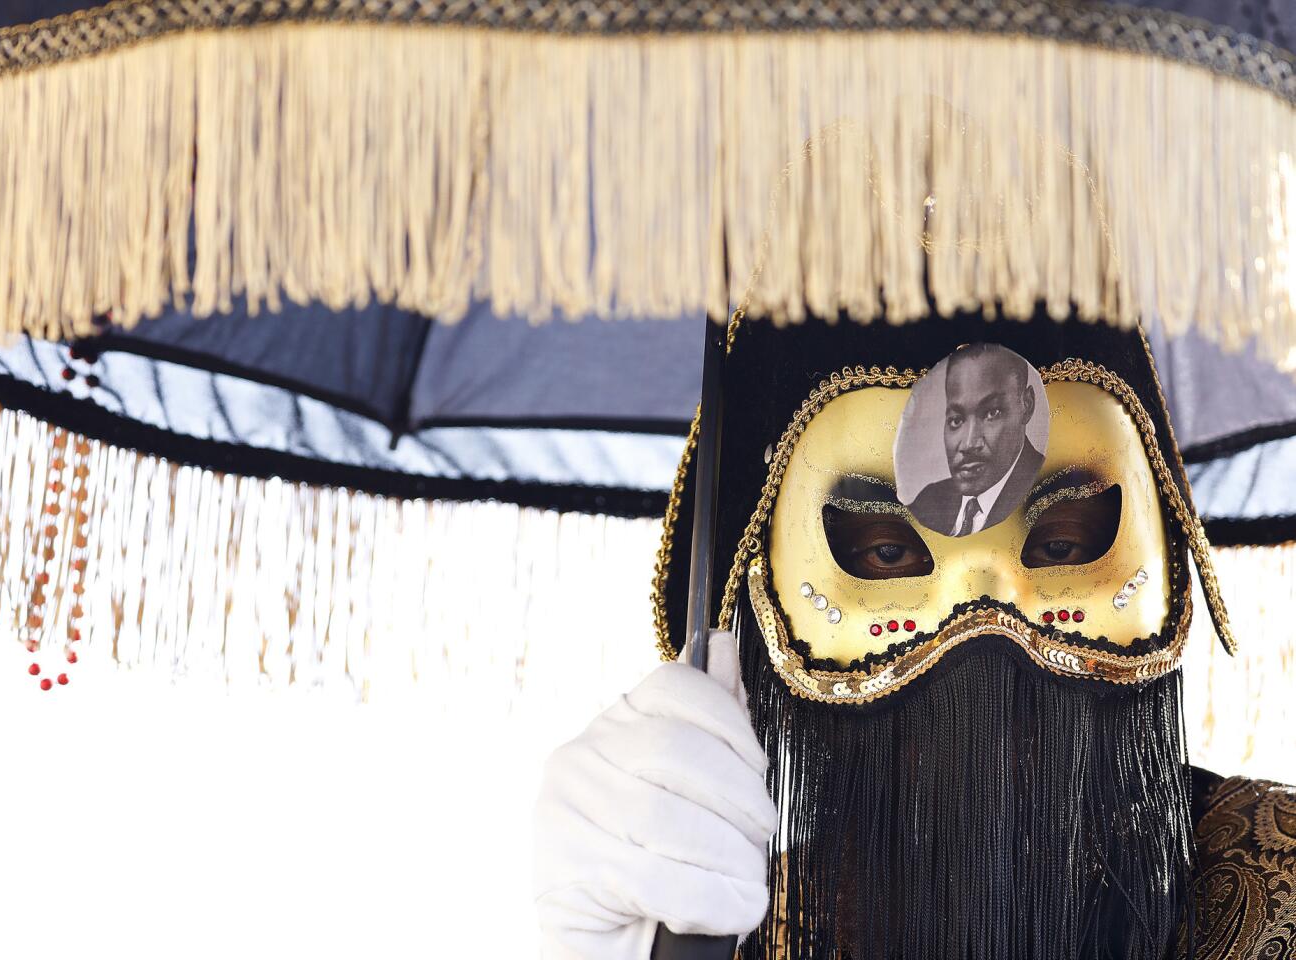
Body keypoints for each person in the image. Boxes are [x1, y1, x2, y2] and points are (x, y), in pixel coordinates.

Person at [532, 311, 1295, 960]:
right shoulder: (726, 921)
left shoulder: (1274, 886)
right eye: (889, 553)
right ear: (759, 605)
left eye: (1060, 546)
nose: (983, 622)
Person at [906, 343, 1043, 536]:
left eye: (991, 413)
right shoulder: (928, 503)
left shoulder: (1048, 493)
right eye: (956, 420)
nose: (969, 444)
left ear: (1026, 405)